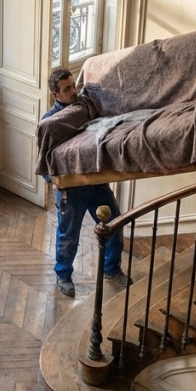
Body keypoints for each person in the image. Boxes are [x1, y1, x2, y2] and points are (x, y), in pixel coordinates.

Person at [41, 68, 131, 298]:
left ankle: (112, 269)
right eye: (67, 89)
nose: (74, 92)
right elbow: (44, 162)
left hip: (96, 182)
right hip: (71, 191)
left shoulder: (86, 108)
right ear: (55, 94)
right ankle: (63, 276)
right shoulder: (50, 122)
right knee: (68, 235)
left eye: (74, 86)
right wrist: (57, 182)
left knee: (114, 223)